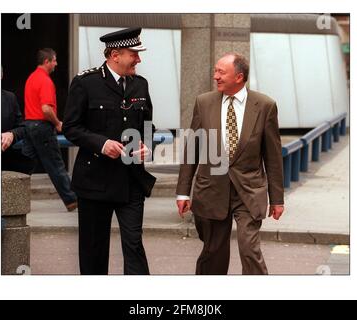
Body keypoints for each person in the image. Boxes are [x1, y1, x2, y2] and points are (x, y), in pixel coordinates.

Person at [176, 52, 284, 275]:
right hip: (212, 189)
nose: (215, 76)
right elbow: (192, 149)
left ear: (239, 76)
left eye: (221, 72)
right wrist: (183, 192)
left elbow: (272, 157)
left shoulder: (265, 106)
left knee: (249, 249)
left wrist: (277, 199)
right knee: (213, 251)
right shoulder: (203, 102)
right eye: (215, 71)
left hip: (249, 191)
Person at [63, 28, 156, 275]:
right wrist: (102, 144)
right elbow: (71, 128)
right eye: (134, 54)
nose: (139, 59)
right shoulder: (85, 83)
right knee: (93, 251)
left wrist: (147, 143)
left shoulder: (141, 84)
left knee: (134, 245)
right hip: (95, 182)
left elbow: (147, 125)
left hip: (131, 181)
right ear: (115, 55)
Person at [23, 48, 77, 212]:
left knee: (24, 166)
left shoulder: (31, 78)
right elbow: (46, 109)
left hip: (29, 126)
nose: (56, 64)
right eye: (54, 60)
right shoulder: (45, 81)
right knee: (55, 165)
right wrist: (57, 123)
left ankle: (9, 193)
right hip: (42, 127)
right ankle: (71, 200)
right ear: (46, 61)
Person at [1, 68, 35, 174]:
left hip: (5, 161)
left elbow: (22, 127)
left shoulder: (10, 98)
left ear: (1, 75)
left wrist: (12, 134)